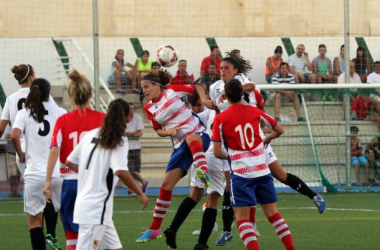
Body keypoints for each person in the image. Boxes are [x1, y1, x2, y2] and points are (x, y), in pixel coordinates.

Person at [196, 52, 326, 249]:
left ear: (236, 71)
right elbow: (213, 106)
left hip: (252, 144)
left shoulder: (240, 81)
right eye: (221, 68)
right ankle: (229, 230)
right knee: (238, 190)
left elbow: (250, 87)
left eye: (226, 68)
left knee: (278, 176)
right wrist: (201, 96)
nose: (223, 71)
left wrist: (266, 136)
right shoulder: (216, 88)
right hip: (246, 144)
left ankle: (313, 196)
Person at [211, 78, 295, 250]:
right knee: (273, 214)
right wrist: (267, 138)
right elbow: (279, 129)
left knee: (242, 219)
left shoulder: (220, 119)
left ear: (225, 96)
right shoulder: (254, 111)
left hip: (241, 174)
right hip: (262, 170)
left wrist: (234, 155)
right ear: (242, 93)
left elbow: (217, 152)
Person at [135, 70, 210, 243]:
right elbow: (158, 130)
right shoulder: (149, 107)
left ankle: (203, 171)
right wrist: (169, 131)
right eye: (142, 88)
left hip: (198, 134)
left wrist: (204, 99)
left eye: (147, 87)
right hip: (179, 146)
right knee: (166, 185)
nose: (144, 91)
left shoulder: (172, 91)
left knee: (191, 138)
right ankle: (154, 229)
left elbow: (196, 87)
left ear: (157, 85)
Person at [65, 99, 149, 250]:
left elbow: (69, 161)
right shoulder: (120, 140)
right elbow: (121, 171)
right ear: (127, 118)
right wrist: (140, 193)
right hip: (96, 210)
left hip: (96, 209)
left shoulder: (90, 134)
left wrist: (90, 174)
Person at [0, 64, 61, 248]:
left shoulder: (11, 99)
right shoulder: (48, 101)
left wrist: (20, 153)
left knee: (35, 203)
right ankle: (51, 233)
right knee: (49, 191)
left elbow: (3, 129)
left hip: (25, 157)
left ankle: (43, 234)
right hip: (46, 152)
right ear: (32, 77)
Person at [44, 70, 106, 250]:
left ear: (71, 95)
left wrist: (47, 181)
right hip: (94, 184)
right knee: (96, 238)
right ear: (91, 94)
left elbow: (54, 150)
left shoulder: (63, 120)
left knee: (72, 237)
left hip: (70, 184)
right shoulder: (102, 119)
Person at [11, 78, 66, 250]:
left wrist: (21, 154)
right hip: (57, 174)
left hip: (34, 174)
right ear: (49, 94)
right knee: (66, 219)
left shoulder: (24, 112)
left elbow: (14, 135)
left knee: (35, 223)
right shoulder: (61, 112)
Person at [125, 103, 148, 193]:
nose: (131, 110)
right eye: (130, 108)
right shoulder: (122, 118)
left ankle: (131, 187)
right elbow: (121, 133)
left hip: (136, 147)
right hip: (126, 148)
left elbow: (139, 133)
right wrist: (132, 134)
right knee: (130, 169)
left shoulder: (137, 118)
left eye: (133, 109)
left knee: (136, 169)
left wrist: (129, 134)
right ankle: (143, 182)